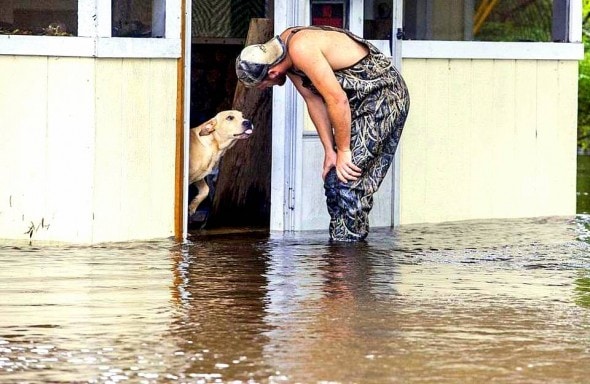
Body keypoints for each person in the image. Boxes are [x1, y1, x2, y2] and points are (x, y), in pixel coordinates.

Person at [235, 25, 410, 242]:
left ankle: (348, 259)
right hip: (356, 103)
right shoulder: (284, 55)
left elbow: (337, 100)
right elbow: (313, 100)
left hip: (383, 97)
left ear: (272, 72)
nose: (268, 88)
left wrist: (344, 149)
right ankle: (339, 253)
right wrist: (330, 150)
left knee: (347, 180)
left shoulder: (300, 48)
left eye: (264, 85)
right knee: (332, 180)